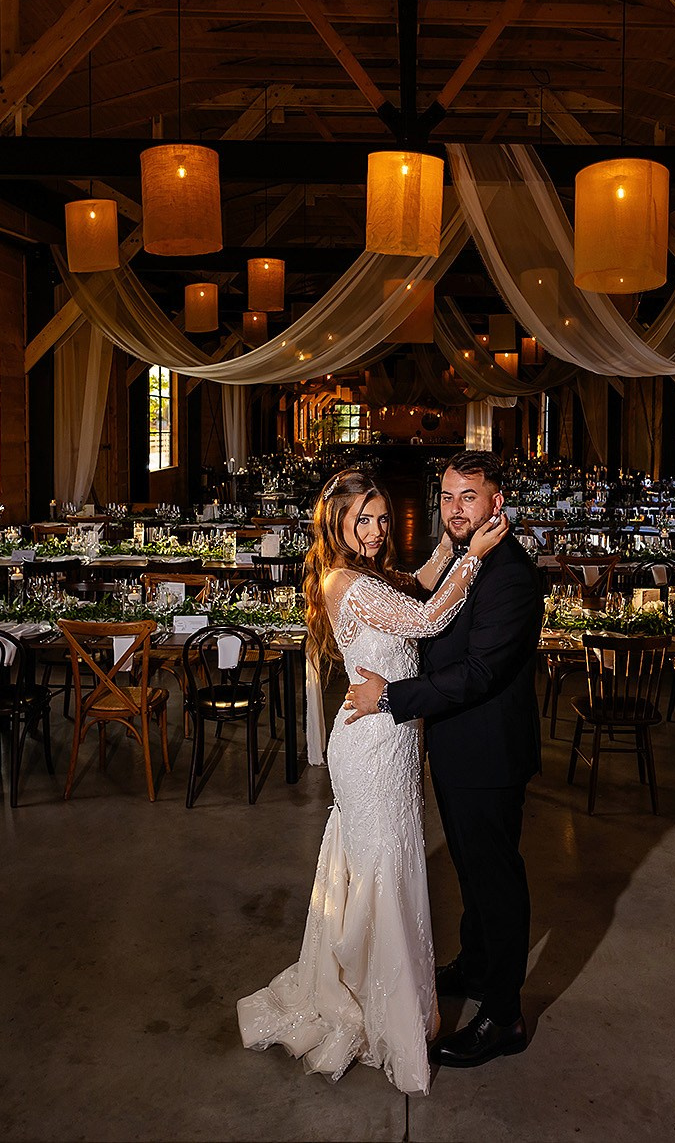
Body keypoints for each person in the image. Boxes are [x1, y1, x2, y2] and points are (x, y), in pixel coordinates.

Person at [238, 467, 512, 1095]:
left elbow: (416, 585)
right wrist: (473, 555)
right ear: (335, 521)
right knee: (384, 868)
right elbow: (428, 618)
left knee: (388, 862)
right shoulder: (347, 583)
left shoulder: (367, 575)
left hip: (392, 739)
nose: (376, 530)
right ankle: (382, 1006)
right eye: (362, 519)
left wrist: (446, 545)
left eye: (383, 518)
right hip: (370, 747)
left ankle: (379, 985)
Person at [344, 450, 544, 1070]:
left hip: (489, 754)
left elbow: (479, 672)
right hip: (456, 748)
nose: (456, 509)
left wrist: (392, 696)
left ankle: (503, 1016)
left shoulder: (509, 573)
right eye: (448, 497)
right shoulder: (461, 556)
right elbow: (427, 613)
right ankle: (475, 966)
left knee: (496, 880)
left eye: (469, 497)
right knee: (469, 868)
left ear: (496, 503)